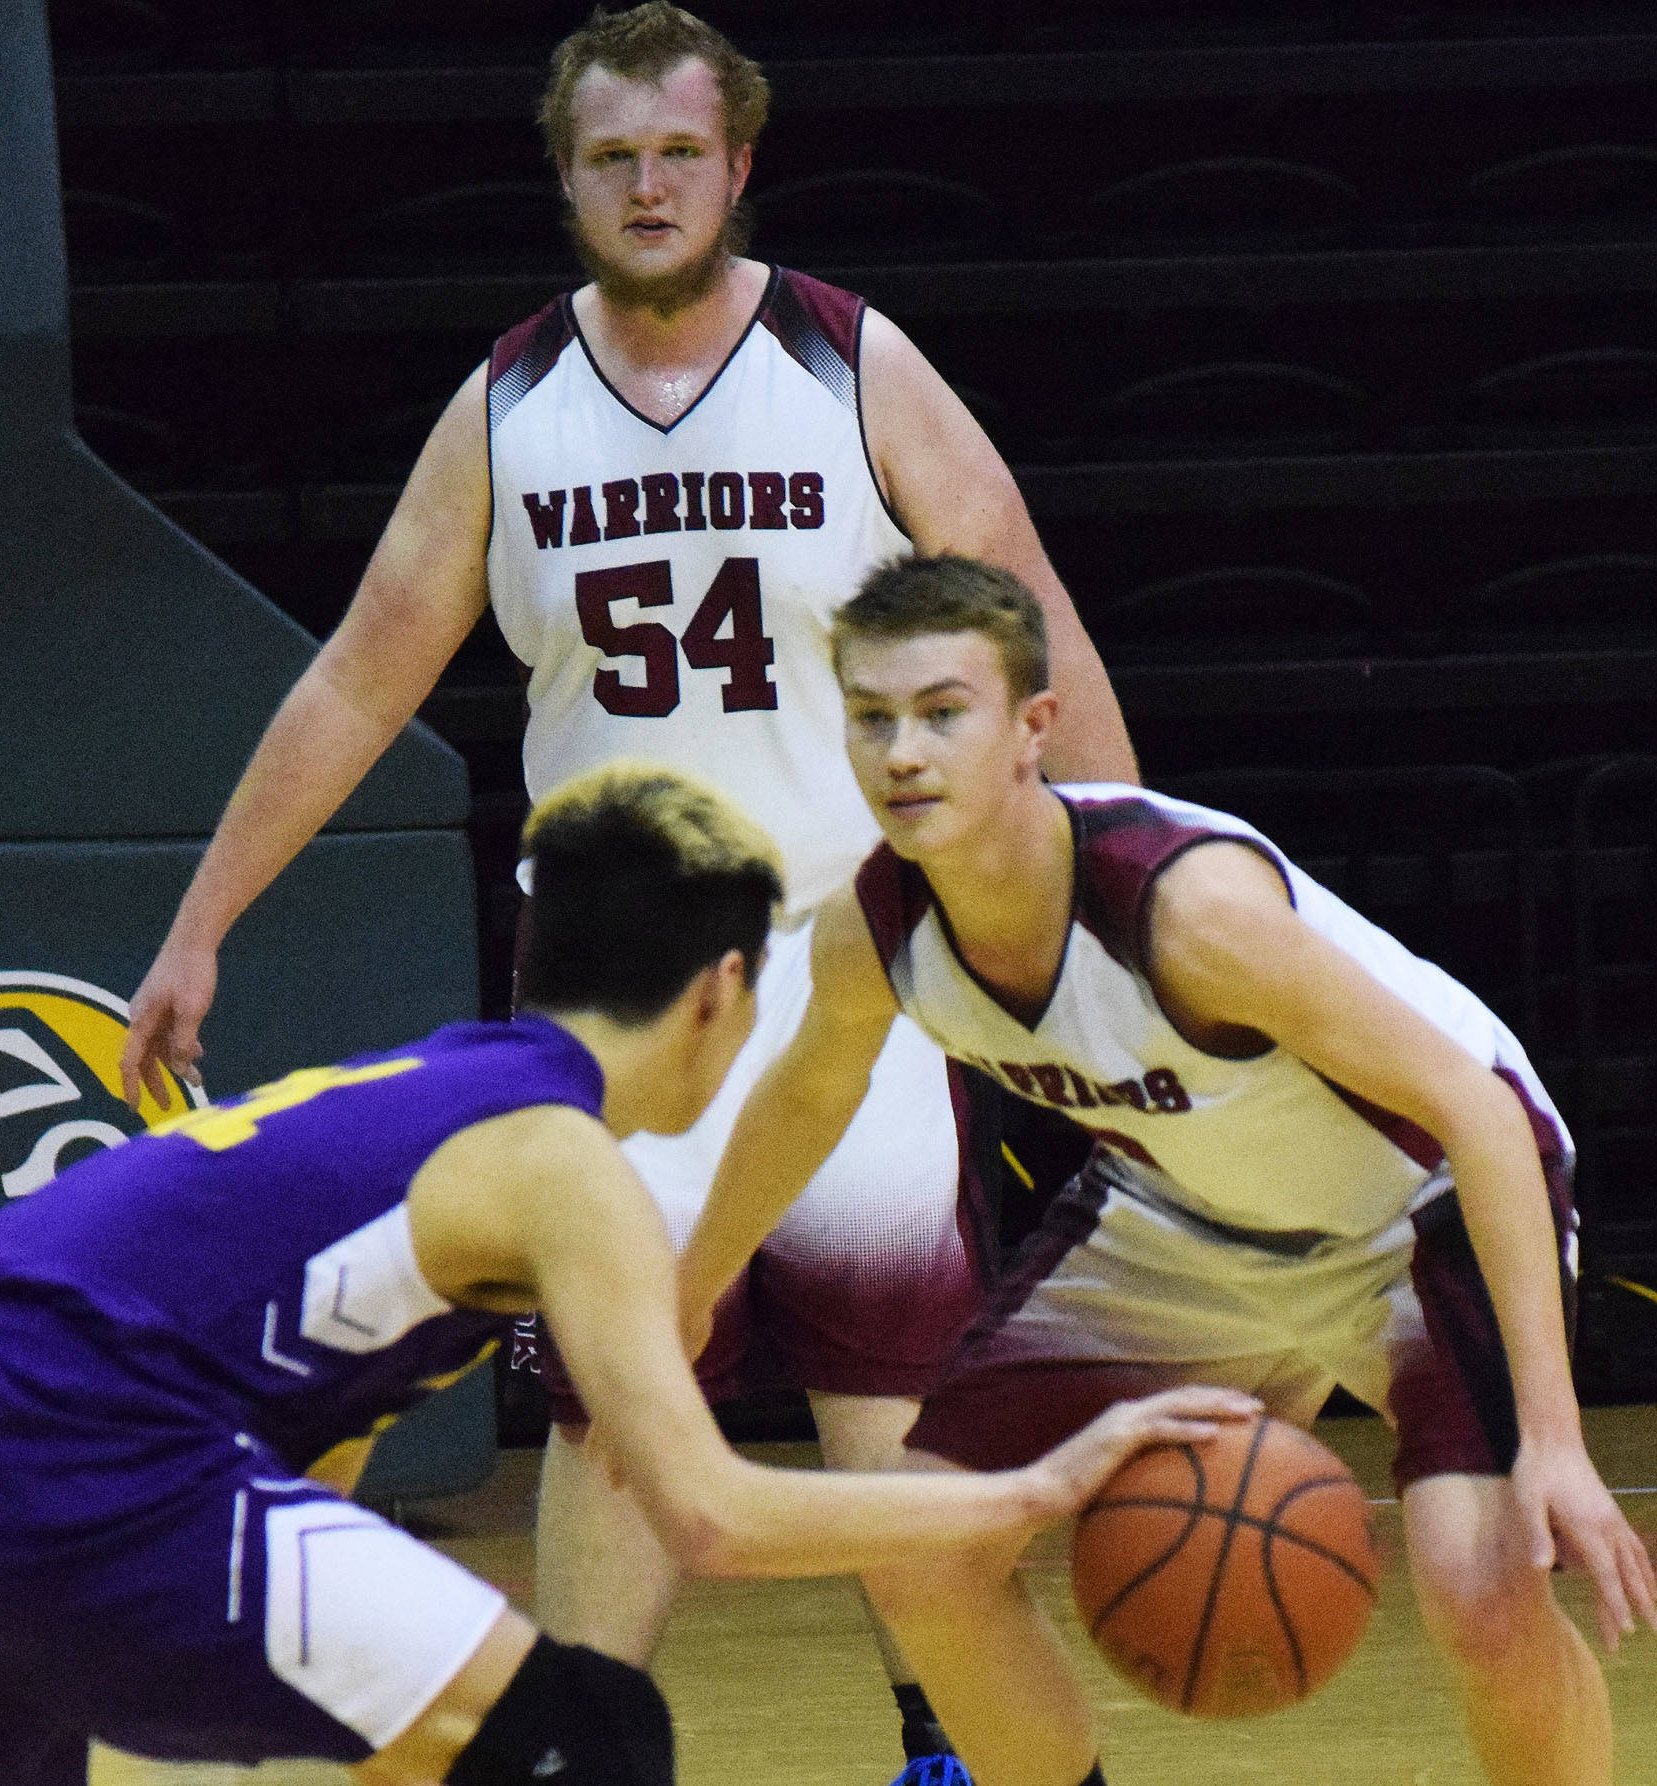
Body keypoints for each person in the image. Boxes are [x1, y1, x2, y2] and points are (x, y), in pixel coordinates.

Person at [116, 7, 1135, 1777]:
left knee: (886, 1408)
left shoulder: (849, 360)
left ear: (738, 166)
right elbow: (364, 675)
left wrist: (1122, 889)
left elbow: (1025, 603)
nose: (648, 187)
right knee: (609, 1409)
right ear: (567, 178)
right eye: (612, 158)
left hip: (855, 961)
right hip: (612, 999)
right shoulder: (505, 404)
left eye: (679, 153)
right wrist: (204, 919)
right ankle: (579, 1749)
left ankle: (941, 1741)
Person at [0, 764, 1252, 1786]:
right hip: (65, 1440)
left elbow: (317, 1462)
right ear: (722, 993)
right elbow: (709, 1513)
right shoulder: (565, 1161)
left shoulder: (428, 1084)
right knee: (590, 1739)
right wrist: (1038, 1489)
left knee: (449, 1728)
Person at [676, 557, 1657, 1786]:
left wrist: (1555, 1442)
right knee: (917, 1545)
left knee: (1482, 1584)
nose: (902, 752)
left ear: (1033, 726)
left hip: (1415, 1205)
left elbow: (1476, 1111)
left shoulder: (1185, 911)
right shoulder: (875, 932)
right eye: (871, 717)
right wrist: (691, 1285)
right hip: (1186, 1211)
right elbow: (805, 1098)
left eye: (941, 711)